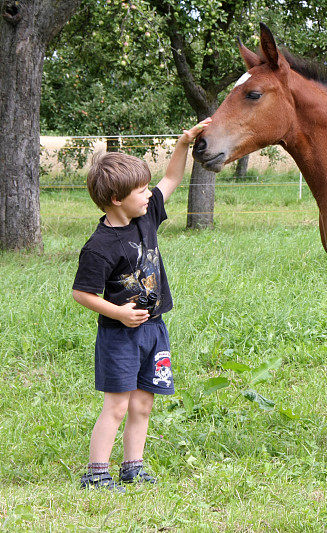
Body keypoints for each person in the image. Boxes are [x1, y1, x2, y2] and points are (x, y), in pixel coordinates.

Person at [72, 118, 211, 492]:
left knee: (143, 403)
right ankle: (96, 472)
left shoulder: (145, 215)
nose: (150, 194)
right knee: (116, 406)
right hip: (120, 336)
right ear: (117, 199)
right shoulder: (99, 247)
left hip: (154, 329)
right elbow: (82, 294)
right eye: (141, 189)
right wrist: (118, 312)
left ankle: (133, 466)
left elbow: (173, 178)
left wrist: (183, 143)